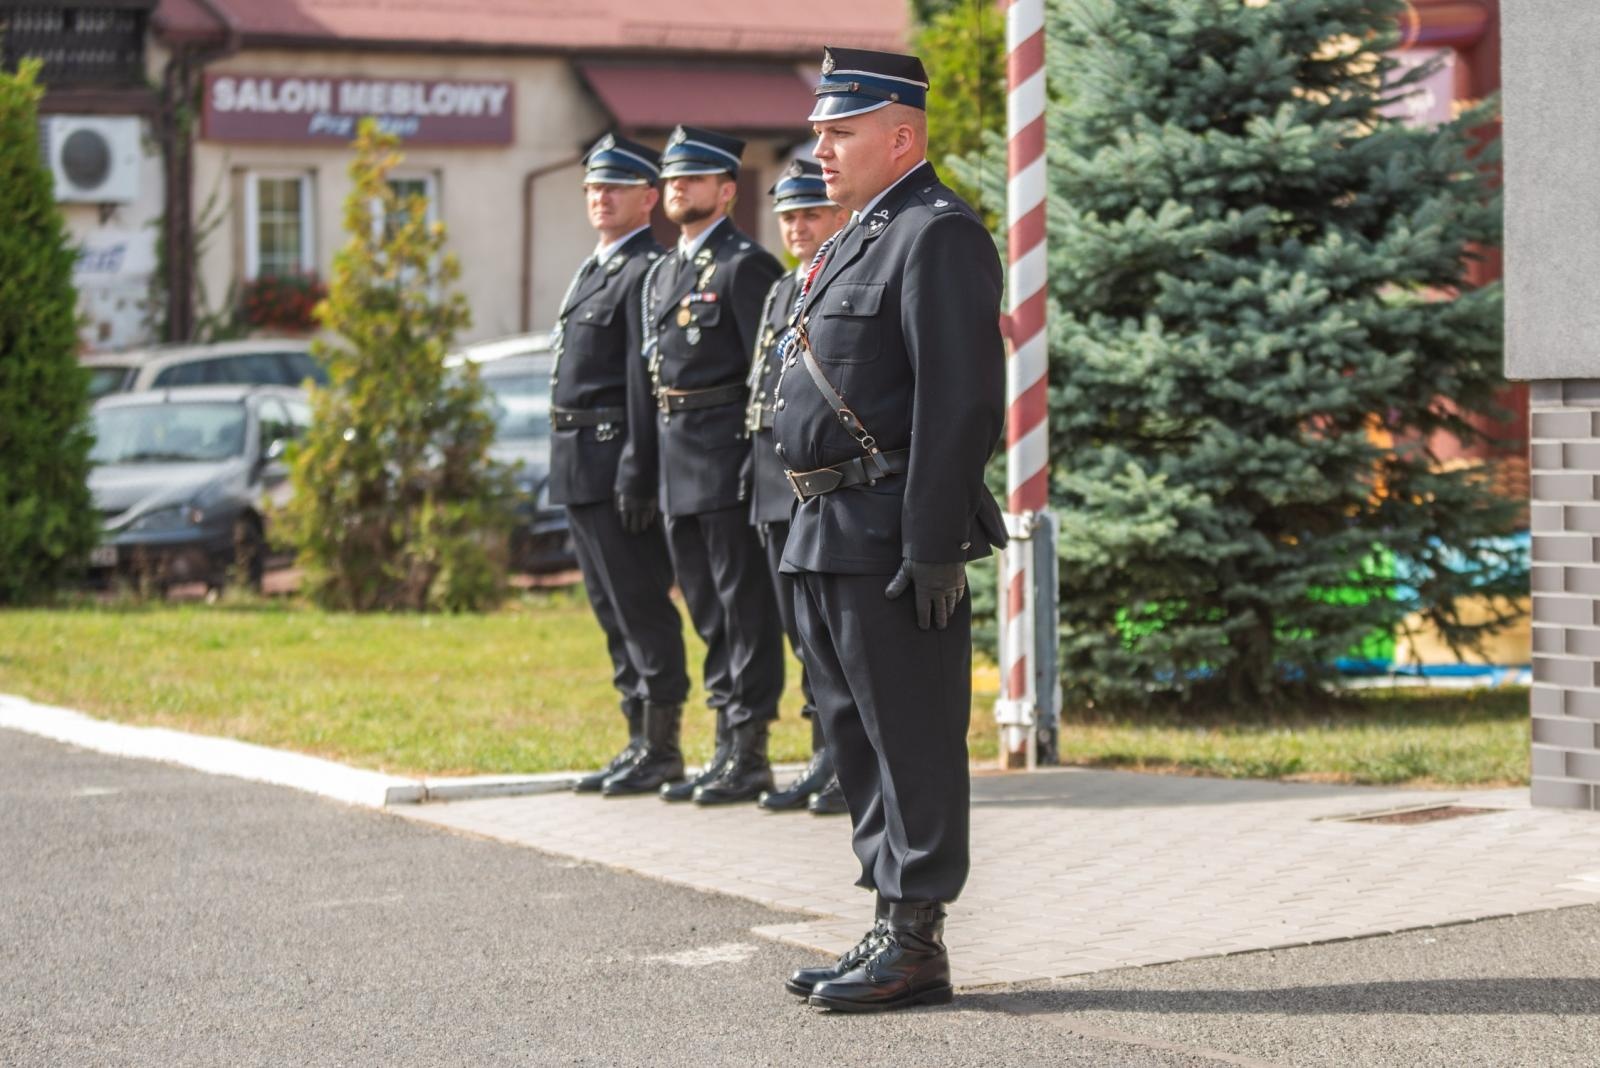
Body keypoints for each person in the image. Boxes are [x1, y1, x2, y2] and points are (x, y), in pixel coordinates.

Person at [771, 47, 1007, 1011]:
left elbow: (960, 403)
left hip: (890, 532)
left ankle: (918, 938)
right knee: (853, 737)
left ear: (900, 136)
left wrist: (933, 542)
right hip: (824, 526)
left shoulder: (937, 235)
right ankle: (888, 918)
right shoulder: (862, 235)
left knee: (909, 737)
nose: (821, 148)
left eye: (842, 131)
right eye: (821, 130)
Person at [605, 125, 788, 806]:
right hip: (675, 466)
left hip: (727, 463)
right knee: (709, 613)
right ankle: (721, 744)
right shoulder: (662, 273)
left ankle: (750, 748)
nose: (678, 188)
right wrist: (639, 468)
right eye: (673, 179)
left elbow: (764, 376)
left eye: (694, 178)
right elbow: (646, 381)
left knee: (745, 612)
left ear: (726, 191)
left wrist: (755, 460)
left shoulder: (746, 267)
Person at [545, 134, 690, 798]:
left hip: (614, 462)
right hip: (578, 461)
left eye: (614, 189)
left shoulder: (644, 272)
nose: (599, 199)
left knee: (640, 605)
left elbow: (641, 380)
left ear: (648, 199)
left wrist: (638, 467)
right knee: (609, 608)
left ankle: (661, 746)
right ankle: (636, 736)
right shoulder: (598, 267)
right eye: (592, 190)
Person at [747, 159, 851, 817]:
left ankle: (845, 761)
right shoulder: (783, 288)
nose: (797, 225)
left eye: (809, 212)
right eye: (787, 215)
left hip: (819, 483)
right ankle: (823, 755)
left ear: (837, 215)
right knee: (801, 632)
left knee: (834, 635)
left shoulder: (843, 277)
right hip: (771, 483)